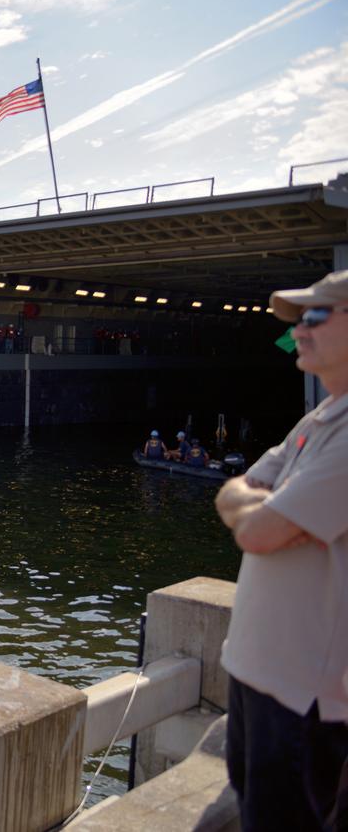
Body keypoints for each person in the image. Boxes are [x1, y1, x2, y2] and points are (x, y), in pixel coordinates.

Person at [214, 269, 348, 830]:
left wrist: (263, 514)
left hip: (304, 696)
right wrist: (262, 510)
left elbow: (254, 533)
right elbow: (231, 491)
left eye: (315, 316)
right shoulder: (319, 418)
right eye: (297, 321)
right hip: (256, 674)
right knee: (252, 805)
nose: (299, 330)